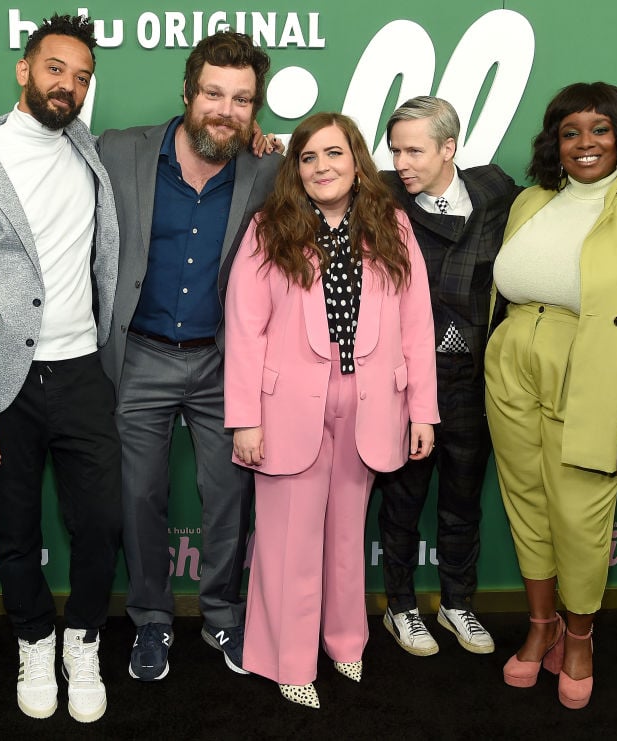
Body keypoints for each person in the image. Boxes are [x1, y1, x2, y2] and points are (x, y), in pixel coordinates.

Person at [376, 96, 617, 657]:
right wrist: (266, 146)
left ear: (448, 148)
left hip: (479, 376)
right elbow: (311, 170)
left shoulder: (499, 191)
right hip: (405, 380)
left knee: (462, 499)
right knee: (402, 500)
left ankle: (458, 604)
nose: (402, 161)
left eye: (414, 149)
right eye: (395, 150)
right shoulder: (379, 194)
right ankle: (400, 608)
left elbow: (578, 191)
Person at [0, 14, 120, 723]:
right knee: (14, 529)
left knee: (101, 521)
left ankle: (83, 638)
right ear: (24, 70)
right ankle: (35, 636)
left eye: (82, 77)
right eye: (56, 69)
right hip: (4, 387)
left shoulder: (89, 151)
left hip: (84, 375)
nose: (68, 85)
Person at [484, 82, 617, 709]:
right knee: (526, 503)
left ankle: (579, 636)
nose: (584, 143)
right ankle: (540, 624)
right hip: (513, 357)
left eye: (600, 130)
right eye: (570, 131)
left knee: (580, 515)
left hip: (593, 370)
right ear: (555, 141)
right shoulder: (527, 202)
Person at [225, 112, 440, 708]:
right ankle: (286, 659)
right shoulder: (271, 227)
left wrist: (423, 409)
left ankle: (346, 644)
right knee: (289, 541)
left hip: (371, 405)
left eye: (334, 154)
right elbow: (245, 327)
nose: (322, 167)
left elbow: (418, 322)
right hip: (286, 406)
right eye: (309, 157)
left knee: (347, 538)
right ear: (295, 169)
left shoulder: (391, 222)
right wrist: (244, 417)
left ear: (356, 161)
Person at [96, 31, 281, 681]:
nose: (225, 110)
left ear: (255, 109)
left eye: (241, 99)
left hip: (223, 362)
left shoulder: (269, 170)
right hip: (140, 355)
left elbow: (352, 191)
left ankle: (224, 615)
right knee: (139, 494)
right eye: (212, 94)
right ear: (187, 91)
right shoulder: (121, 150)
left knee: (228, 494)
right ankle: (151, 618)